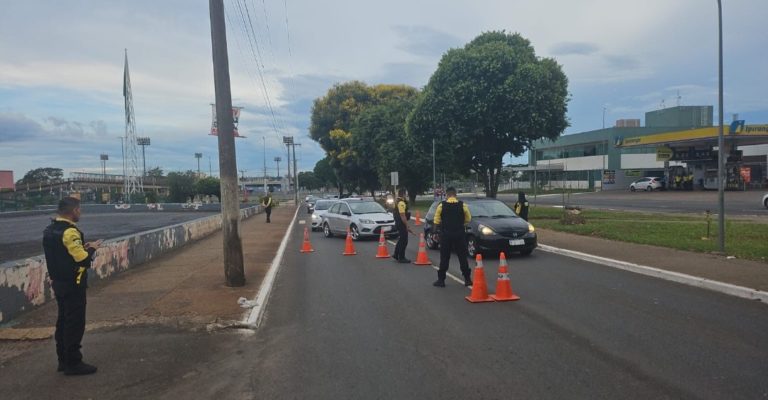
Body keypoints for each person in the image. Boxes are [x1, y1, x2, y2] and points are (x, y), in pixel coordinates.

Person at [42, 197, 102, 375]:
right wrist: (92, 248)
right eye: (79, 210)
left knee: (63, 322)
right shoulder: (70, 232)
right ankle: (73, 363)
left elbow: (63, 254)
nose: (80, 213)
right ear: (74, 210)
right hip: (73, 284)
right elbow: (82, 259)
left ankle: (63, 360)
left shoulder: (50, 230)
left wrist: (82, 248)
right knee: (74, 324)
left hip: (58, 283)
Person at [432, 187, 472, 287]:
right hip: (459, 234)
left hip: (446, 234)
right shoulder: (463, 205)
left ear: (447, 195)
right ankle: (467, 279)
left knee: (444, 257)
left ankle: (441, 280)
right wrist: (461, 224)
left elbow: (436, 220)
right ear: (455, 195)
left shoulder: (441, 205)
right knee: (462, 257)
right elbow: (468, 219)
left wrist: (435, 232)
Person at [392, 188, 413, 263]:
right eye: (406, 194)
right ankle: (401, 257)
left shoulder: (397, 201)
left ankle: (396, 254)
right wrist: (407, 225)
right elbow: (402, 215)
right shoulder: (401, 203)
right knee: (404, 241)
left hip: (398, 222)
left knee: (401, 239)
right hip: (401, 223)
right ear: (403, 194)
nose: (406, 195)